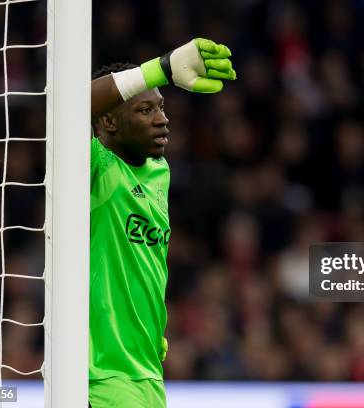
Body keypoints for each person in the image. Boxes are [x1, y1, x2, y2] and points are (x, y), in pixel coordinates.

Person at [87, 38, 236, 408]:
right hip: (101, 374)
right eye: (145, 109)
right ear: (108, 121)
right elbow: (63, 109)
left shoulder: (159, 172)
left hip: (147, 370)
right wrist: (162, 68)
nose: (162, 118)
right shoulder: (94, 167)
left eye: (162, 106)